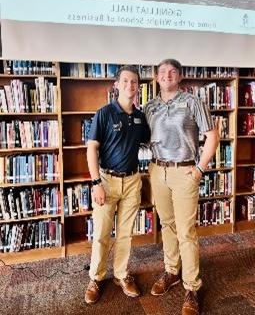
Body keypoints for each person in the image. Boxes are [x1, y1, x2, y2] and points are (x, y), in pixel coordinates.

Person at [144, 59, 220, 315]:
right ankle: (171, 271)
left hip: (184, 171)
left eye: (172, 72)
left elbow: (212, 136)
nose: (167, 75)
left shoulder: (192, 102)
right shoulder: (149, 106)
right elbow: (141, 137)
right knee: (167, 225)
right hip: (157, 170)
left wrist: (200, 169)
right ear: (156, 77)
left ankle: (192, 287)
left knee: (186, 231)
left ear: (180, 76)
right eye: (163, 72)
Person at [84, 65, 150, 304]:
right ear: (116, 85)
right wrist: (95, 183)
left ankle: (121, 274)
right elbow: (91, 149)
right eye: (125, 81)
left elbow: (148, 141)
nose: (130, 86)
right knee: (101, 233)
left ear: (138, 87)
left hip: (132, 181)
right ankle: (96, 277)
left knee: (125, 235)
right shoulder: (104, 113)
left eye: (134, 82)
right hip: (107, 181)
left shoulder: (140, 117)